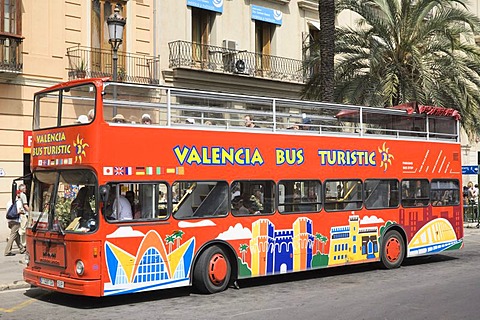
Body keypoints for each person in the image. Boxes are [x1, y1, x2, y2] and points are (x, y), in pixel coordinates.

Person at [4, 190, 26, 256]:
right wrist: (23, 212)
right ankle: (7, 251)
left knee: (16, 235)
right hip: (15, 220)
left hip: (9, 220)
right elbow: (18, 211)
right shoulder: (18, 202)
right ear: (18, 194)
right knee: (13, 235)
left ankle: (21, 248)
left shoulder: (9, 202)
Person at [17, 184, 29, 248]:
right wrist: (30, 211)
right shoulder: (23, 195)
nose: (26, 189)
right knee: (23, 229)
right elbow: (25, 205)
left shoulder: (18, 195)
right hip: (23, 214)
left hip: (20, 214)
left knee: (21, 228)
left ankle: (21, 242)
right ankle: (23, 243)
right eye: (25, 188)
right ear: (22, 189)